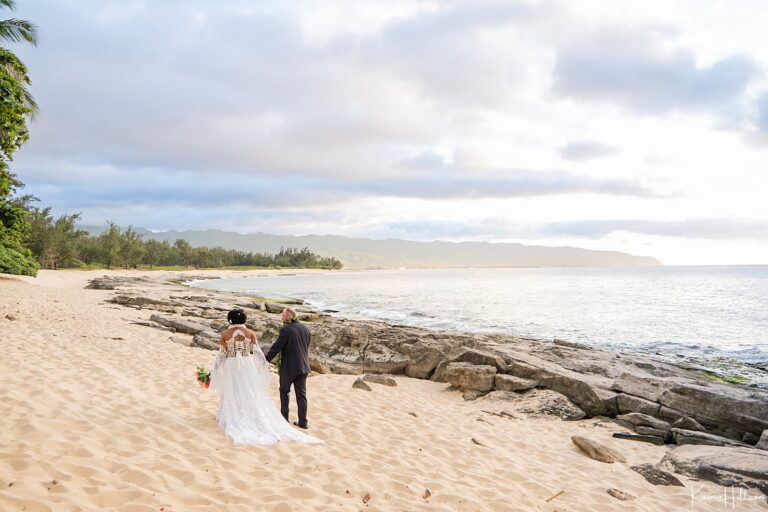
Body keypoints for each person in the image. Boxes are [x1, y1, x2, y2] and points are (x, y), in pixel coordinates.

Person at [209, 308, 319, 445]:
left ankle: (233, 413)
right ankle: (301, 421)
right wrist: (263, 364)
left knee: (235, 389)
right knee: (250, 389)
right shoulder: (250, 333)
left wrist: (214, 368)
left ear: (230, 319)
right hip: (248, 365)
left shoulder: (225, 334)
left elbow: (222, 354)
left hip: (232, 366)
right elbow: (256, 352)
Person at [265, 308, 312, 429]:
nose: (281, 316)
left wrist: (266, 360)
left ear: (289, 316)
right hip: (304, 366)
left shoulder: (286, 329)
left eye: (283, 314)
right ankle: (303, 422)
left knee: (284, 392)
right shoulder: (305, 328)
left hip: (289, 368)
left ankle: (284, 419)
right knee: (301, 395)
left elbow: (277, 346)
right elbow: (305, 347)